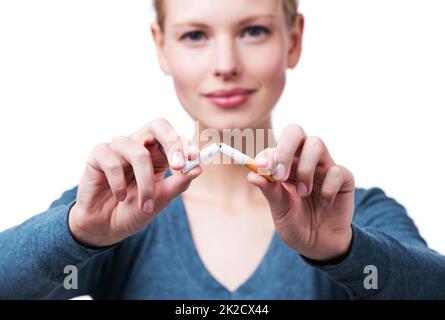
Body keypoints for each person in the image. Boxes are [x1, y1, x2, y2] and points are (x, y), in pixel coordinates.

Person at [1, 0, 444, 300]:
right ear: (161, 46)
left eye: (253, 31)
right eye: (195, 35)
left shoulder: (353, 213)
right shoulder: (115, 206)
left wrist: (343, 251)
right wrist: (78, 236)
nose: (226, 65)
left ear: (293, 38)